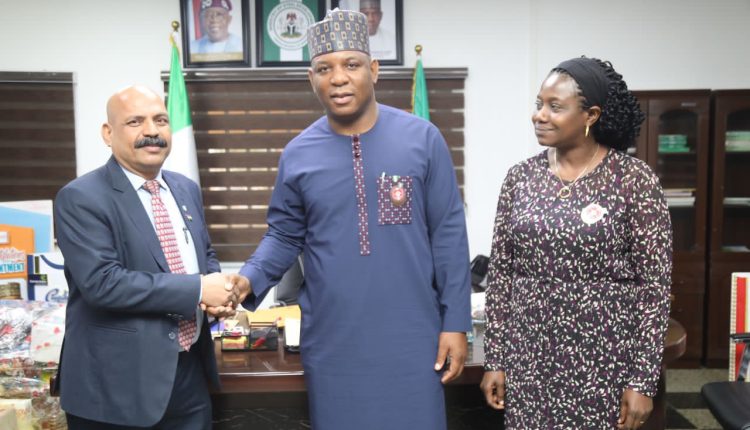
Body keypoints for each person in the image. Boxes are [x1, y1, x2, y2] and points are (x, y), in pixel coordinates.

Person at [239, 9, 471, 430]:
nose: (339, 78)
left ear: (375, 70)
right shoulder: (298, 154)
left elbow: (449, 237)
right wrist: (248, 279)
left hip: (413, 339)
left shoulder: (422, 139)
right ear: (312, 78)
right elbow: (284, 237)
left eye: (351, 64)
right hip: (334, 343)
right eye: (324, 68)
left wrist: (455, 323)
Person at [480, 57, 673, 430]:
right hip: (530, 360)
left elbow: (655, 289)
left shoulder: (634, 180)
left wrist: (642, 380)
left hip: (604, 361)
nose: (539, 115)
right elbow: (502, 275)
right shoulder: (520, 178)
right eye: (539, 104)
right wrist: (496, 359)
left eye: (555, 106)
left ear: (591, 115)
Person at [54, 85, 249, 429]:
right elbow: (103, 284)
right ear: (108, 133)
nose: (152, 132)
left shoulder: (184, 187)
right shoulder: (81, 197)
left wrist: (217, 298)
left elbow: (203, 255)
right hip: (116, 388)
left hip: (188, 377)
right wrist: (199, 290)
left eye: (160, 120)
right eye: (135, 121)